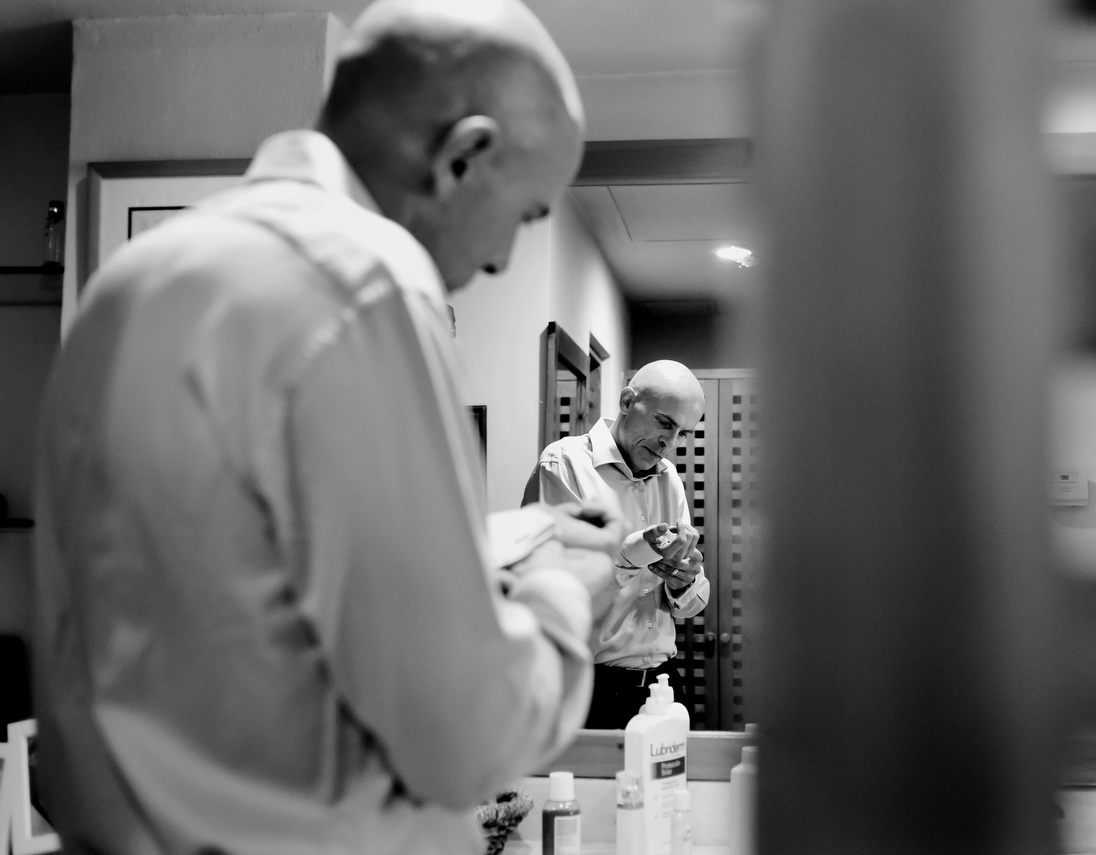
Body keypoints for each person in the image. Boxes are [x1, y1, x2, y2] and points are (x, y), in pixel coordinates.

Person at [30, 2, 623, 852]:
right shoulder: (365, 286)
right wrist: (570, 596)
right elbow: (466, 738)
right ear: (464, 156)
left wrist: (512, 534)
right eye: (527, 215)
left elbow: (233, 573)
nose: (500, 260)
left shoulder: (124, 287)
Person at [532, 360, 712, 727]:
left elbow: (690, 607)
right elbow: (554, 590)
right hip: (592, 692)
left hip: (663, 686)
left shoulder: (670, 480)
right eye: (665, 423)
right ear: (628, 402)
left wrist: (684, 582)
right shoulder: (564, 465)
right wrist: (632, 554)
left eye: (684, 432)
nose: (671, 443)